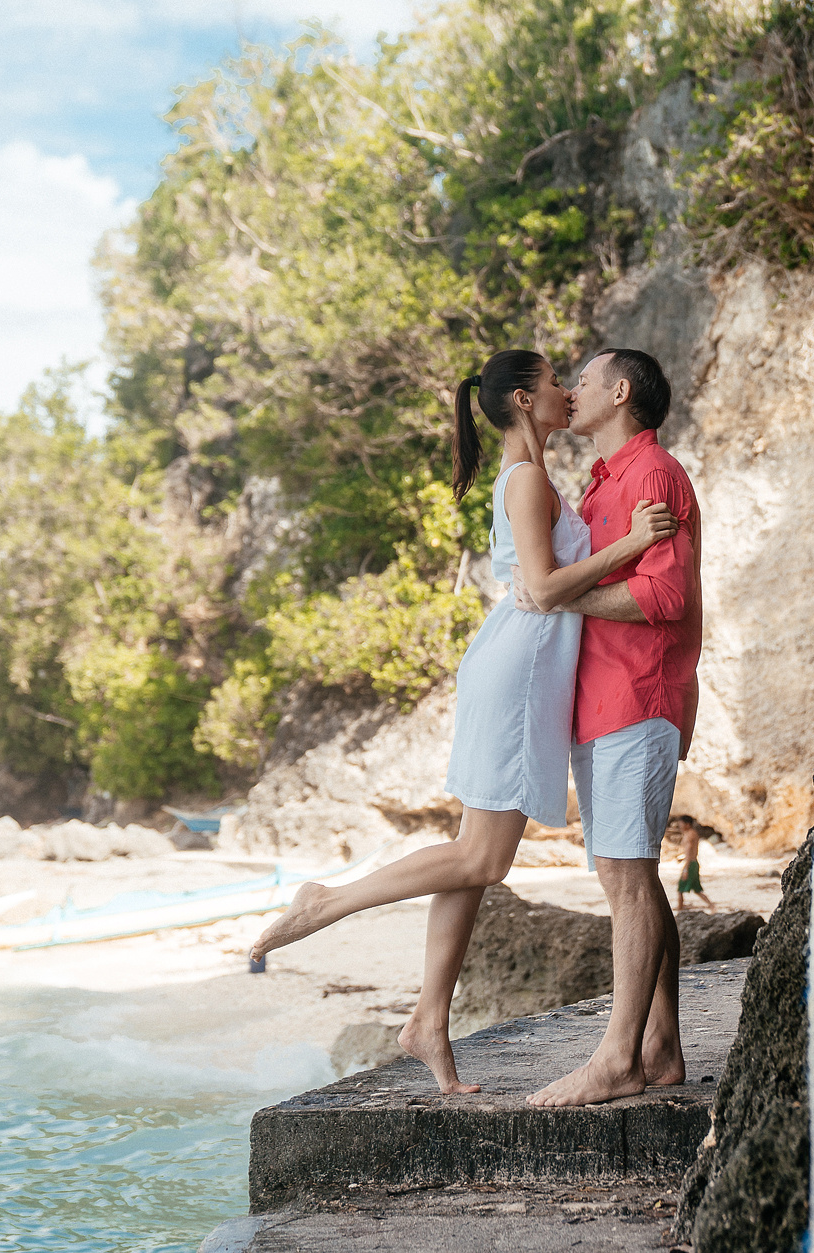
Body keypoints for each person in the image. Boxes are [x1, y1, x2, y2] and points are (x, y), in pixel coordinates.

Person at [247, 347, 677, 1094]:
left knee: (473, 856)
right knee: (482, 858)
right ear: (522, 400)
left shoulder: (532, 474)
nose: (567, 391)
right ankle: (328, 902)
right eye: (554, 382)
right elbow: (544, 587)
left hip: (524, 665)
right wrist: (635, 542)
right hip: (520, 672)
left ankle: (428, 1019)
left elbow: (545, 584)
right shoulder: (528, 478)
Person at [510, 347, 703, 1109]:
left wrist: (560, 596)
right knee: (632, 877)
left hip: (638, 695)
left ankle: (618, 1057)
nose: (573, 389)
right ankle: (660, 1046)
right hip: (601, 701)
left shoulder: (654, 473)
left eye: (583, 379)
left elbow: (664, 596)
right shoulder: (601, 483)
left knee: (625, 876)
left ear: (620, 392)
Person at [673, 815, 716, 912]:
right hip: (693, 862)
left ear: (687, 824)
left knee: (681, 887)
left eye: (681, 824)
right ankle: (711, 905)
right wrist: (683, 858)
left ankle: (680, 909)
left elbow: (689, 850)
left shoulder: (690, 834)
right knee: (696, 889)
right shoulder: (691, 833)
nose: (680, 826)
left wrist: (685, 868)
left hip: (691, 864)